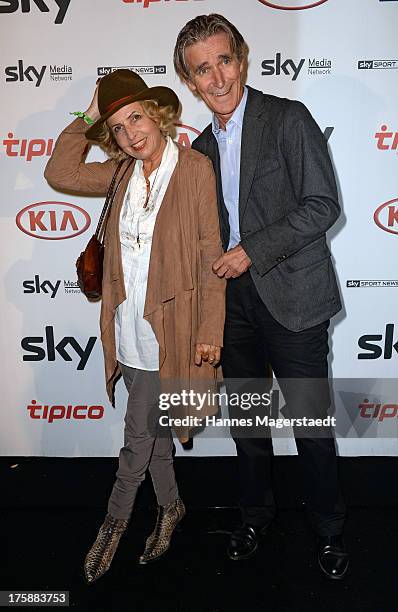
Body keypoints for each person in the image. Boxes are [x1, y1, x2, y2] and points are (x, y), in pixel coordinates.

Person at [174, 14, 349, 579]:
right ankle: (255, 517)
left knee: (311, 427)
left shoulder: (287, 118)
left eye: (225, 60)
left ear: (242, 59)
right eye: (203, 69)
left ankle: (327, 528)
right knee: (248, 424)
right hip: (232, 307)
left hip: (294, 298)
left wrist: (251, 249)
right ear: (190, 81)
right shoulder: (198, 148)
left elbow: (323, 205)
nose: (218, 77)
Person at [44, 69, 225, 583]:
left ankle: (114, 522)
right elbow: (61, 174)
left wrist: (211, 328)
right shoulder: (120, 171)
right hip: (128, 329)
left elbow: (211, 253)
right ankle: (171, 507)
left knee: (136, 437)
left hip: (174, 331)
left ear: (158, 115)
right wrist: (85, 117)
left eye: (136, 118)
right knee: (156, 434)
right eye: (118, 127)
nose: (129, 134)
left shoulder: (194, 169)